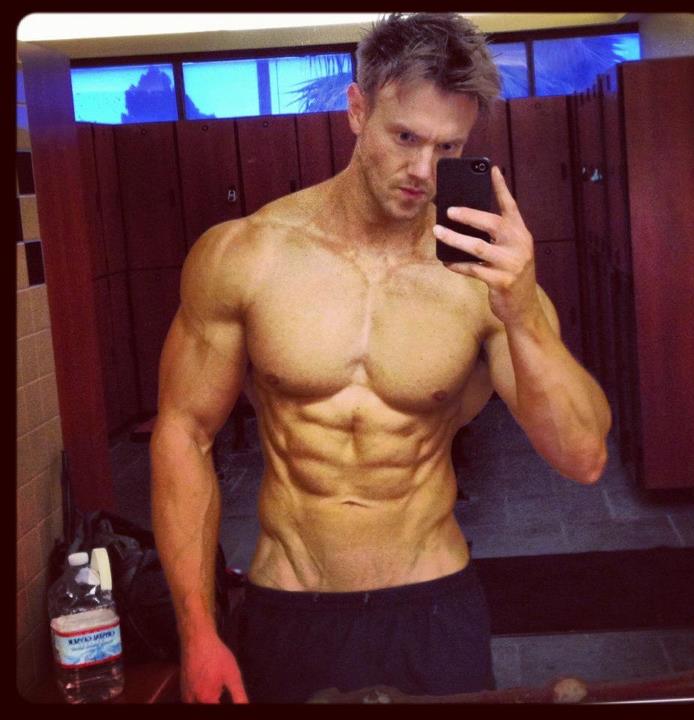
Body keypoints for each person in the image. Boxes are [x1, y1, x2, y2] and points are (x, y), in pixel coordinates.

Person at [150, 12, 612, 704]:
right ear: (356, 110)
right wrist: (198, 632)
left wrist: (521, 312)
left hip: (433, 606)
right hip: (289, 604)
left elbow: (583, 457)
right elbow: (183, 434)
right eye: (405, 137)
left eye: (448, 147)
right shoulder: (245, 255)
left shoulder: (482, 280)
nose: (424, 170)